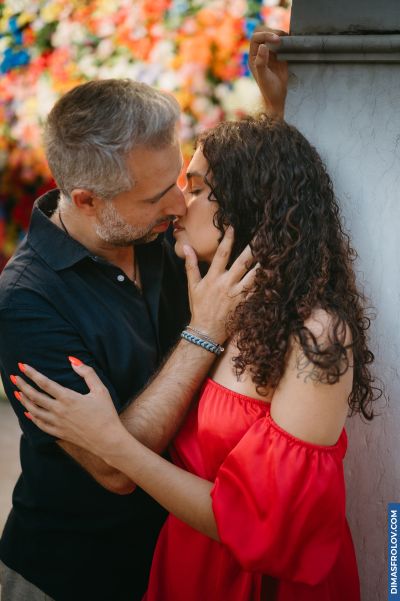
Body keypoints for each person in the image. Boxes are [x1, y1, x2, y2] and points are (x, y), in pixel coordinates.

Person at [13, 114, 380, 601]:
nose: (179, 205)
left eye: (198, 187)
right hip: (179, 569)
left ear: (253, 204)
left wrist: (113, 443)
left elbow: (260, 523)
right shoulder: (217, 302)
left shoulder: (318, 335)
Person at [0, 30, 284, 601]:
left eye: (180, 182)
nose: (180, 205)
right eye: (157, 197)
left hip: (177, 568)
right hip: (70, 578)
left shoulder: (157, 232)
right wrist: (203, 332)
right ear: (86, 200)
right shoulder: (24, 303)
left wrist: (278, 109)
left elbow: (278, 209)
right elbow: (114, 470)